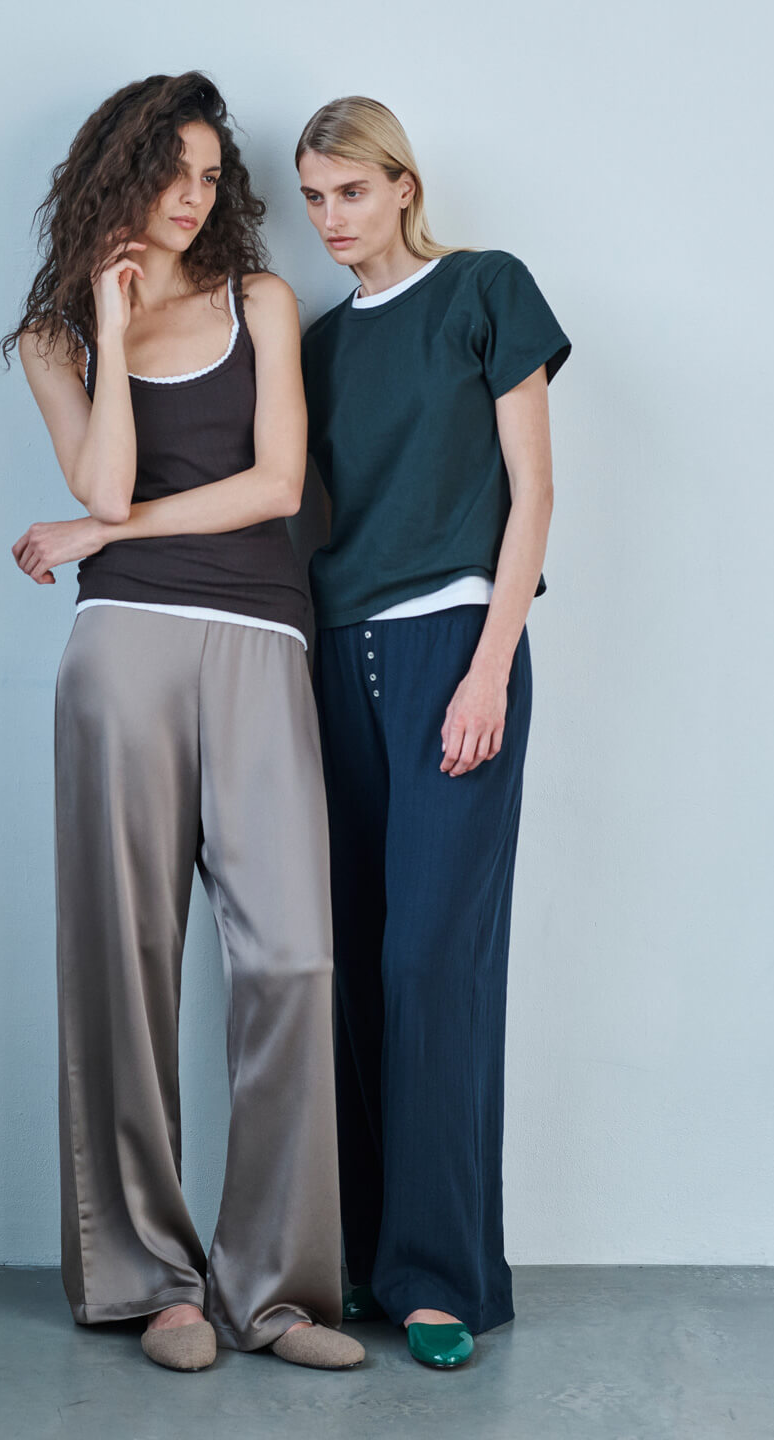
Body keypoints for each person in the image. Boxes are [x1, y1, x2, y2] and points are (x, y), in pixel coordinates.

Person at [0, 71, 364, 1374]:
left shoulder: (259, 299)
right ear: (123, 170)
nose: (198, 197)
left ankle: (274, 1292)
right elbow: (95, 473)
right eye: (177, 172)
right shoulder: (55, 335)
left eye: (215, 176)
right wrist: (106, 310)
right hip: (122, 654)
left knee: (293, 960)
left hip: (262, 641)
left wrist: (113, 529)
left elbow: (274, 487)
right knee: (124, 961)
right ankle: (152, 1282)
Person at [295, 95, 571, 1369]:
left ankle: (444, 1274)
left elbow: (535, 496)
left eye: (349, 192)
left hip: (455, 648)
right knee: (352, 960)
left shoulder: (486, 289)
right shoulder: (314, 344)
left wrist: (488, 669)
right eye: (311, 198)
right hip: (331, 662)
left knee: (431, 965)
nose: (330, 220)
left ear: (403, 184)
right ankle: (359, 1257)